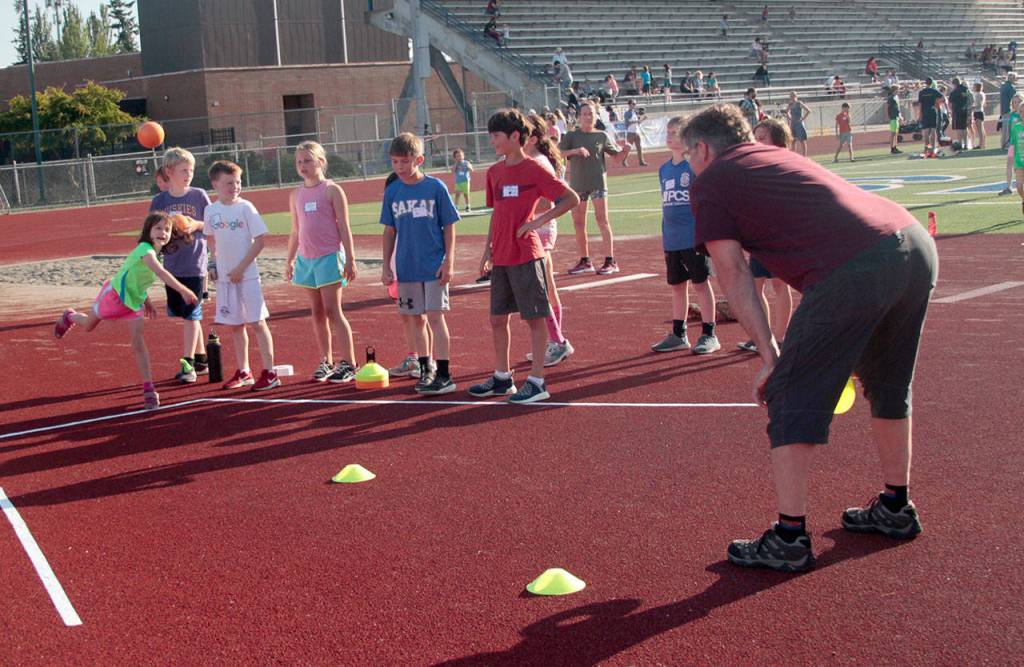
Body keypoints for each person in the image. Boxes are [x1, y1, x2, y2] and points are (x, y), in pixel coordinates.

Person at [681, 103, 938, 573]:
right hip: (913, 242)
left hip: (857, 264)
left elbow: (733, 273)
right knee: (888, 383)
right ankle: (895, 506)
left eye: (687, 154)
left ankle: (789, 537)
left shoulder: (712, 179)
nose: (687, 164)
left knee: (788, 391)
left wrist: (769, 354)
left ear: (702, 148)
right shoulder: (774, 156)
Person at [470, 108, 580, 404]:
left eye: (496, 136)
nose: (492, 141)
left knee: (535, 318)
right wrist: (487, 250)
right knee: (497, 319)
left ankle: (537, 382)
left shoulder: (534, 169)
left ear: (515, 136)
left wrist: (536, 222)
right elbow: (497, 213)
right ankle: (502, 378)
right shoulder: (494, 172)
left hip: (527, 254)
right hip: (501, 256)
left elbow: (570, 198)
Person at [54, 212, 199, 410]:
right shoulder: (145, 249)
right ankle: (70, 316)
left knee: (138, 343)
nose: (163, 232)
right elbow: (160, 273)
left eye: (167, 229)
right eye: (158, 228)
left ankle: (149, 389)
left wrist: (147, 300)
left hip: (134, 302)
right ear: (148, 231)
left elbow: (138, 279)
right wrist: (183, 290)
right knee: (88, 326)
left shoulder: (156, 255)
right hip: (114, 296)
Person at [381, 133, 460, 395]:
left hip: (433, 265)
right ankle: (426, 369)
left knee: (436, 317)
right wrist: (386, 265)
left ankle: (445, 374)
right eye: (395, 162)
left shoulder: (436, 187)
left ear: (419, 160)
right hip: (407, 267)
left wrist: (449, 261)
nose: (399, 167)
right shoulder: (392, 191)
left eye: (405, 161)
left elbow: (449, 225)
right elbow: (389, 230)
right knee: (416, 319)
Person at [285, 140, 358, 383]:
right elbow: (295, 230)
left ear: (321, 161)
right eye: (299, 161)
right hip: (306, 259)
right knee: (317, 312)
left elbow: (344, 226)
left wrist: (351, 259)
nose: (302, 165)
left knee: (332, 311)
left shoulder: (332, 190)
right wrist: (290, 259)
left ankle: (348, 362)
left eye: (307, 160)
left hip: (329, 257)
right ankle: (326, 360)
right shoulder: (295, 194)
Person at [204, 161, 280, 392]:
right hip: (225, 280)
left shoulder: (246, 207)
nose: (234, 187)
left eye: (237, 182)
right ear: (215, 184)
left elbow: (260, 241)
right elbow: (211, 240)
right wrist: (213, 264)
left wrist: (240, 268)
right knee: (236, 325)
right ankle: (244, 371)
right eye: (229, 183)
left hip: (247, 276)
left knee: (257, 322)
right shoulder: (211, 211)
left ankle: (270, 372)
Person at [650, 116, 720, 356]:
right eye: (668, 132)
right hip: (672, 238)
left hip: (693, 236)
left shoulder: (695, 166)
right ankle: (679, 334)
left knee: (700, 284)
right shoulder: (664, 169)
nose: (669, 136)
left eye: (675, 132)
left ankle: (709, 334)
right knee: (677, 286)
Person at [150, 147, 210, 384]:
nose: (189, 174)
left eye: (191, 170)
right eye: (183, 170)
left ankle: (189, 365)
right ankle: (202, 360)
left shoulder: (199, 196)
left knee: (191, 315)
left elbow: (212, 224)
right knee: (186, 313)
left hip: (195, 265)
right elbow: (152, 232)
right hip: (172, 267)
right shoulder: (160, 201)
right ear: (169, 172)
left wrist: (196, 225)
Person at [736, 118, 795, 354]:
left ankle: (781, 336)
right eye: (755, 138)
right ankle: (763, 336)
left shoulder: (786, 166)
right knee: (755, 285)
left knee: (780, 284)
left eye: (762, 138)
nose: (756, 142)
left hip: (781, 237)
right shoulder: (753, 167)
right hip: (760, 238)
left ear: (778, 141)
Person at [523, 113, 574, 366]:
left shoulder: (539, 163)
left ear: (532, 138)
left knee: (541, 287)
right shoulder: (533, 160)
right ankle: (554, 341)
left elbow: (548, 201)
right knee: (547, 286)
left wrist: (521, 205)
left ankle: (558, 341)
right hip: (538, 227)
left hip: (540, 228)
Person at [560, 100, 628, 276]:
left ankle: (610, 260)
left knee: (602, 220)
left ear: (596, 116)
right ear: (579, 117)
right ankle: (585, 260)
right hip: (578, 185)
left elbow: (617, 158)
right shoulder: (571, 136)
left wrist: (625, 150)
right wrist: (575, 151)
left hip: (598, 183)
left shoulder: (602, 136)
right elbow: (558, 153)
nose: (587, 117)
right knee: (578, 223)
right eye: (584, 114)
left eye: (591, 113)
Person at [1007, 94, 1024, 212]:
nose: (1023, 114)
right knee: (1018, 187)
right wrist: (1011, 158)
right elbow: (1013, 144)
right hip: (1019, 162)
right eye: (1021, 112)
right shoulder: (1016, 127)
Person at [917, 77, 943, 157]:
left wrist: (920, 114)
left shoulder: (922, 92)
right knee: (933, 130)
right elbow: (942, 98)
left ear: (925, 83)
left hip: (925, 111)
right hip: (932, 111)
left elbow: (920, 104)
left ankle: (927, 148)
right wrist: (936, 103)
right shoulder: (934, 91)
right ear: (931, 83)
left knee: (926, 130)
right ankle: (933, 148)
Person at [948, 77, 973, 151]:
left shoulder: (954, 92)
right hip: (965, 110)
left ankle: (960, 145)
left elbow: (950, 103)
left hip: (957, 111)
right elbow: (971, 99)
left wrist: (951, 110)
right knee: (964, 128)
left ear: (954, 84)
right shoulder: (966, 89)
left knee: (959, 129)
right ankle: (966, 144)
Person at [621, 99, 647, 167]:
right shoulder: (627, 113)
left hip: (637, 131)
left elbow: (638, 123)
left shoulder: (635, 113)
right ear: (629, 105)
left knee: (639, 147)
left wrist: (643, 119)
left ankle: (641, 161)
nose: (635, 105)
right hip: (631, 132)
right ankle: (623, 160)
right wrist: (637, 121)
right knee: (628, 148)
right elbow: (627, 123)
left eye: (635, 104)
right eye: (633, 104)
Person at [787, 91, 810, 156]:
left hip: (799, 124)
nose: (792, 97)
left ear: (796, 96)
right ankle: (794, 156)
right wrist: (790, 118)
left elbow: (808, 111)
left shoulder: (799, 103)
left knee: (802, 141)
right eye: (791, 96)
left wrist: (802, 119)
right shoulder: (790, 104)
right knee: (793, 141)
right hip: (793, 124)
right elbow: (787, 111)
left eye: (793, 96)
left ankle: (804, 156)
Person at [452, 148, 473, 212]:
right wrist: (456, 164)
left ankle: (468, 206)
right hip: (458, 182)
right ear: (455, 158)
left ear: (463, 156)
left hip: (465, 181)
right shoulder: (456, 164)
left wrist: (469, 167)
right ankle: (456, 207)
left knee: (466, 194)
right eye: (457, 156)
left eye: (460, 156)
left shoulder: (466, 162)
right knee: (457, 195)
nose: (459, 157)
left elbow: (471, 170)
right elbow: (453, 171)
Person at [886, 84, 904, 154]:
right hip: (893, 117)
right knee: (893, 133)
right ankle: (892, 148)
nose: (899, 90)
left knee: (896, 133)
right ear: (895, 90)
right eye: (898, 89)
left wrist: (900, 116)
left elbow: (898, 108)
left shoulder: (896, 97)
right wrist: (889, 116)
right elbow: (887, 107)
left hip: (896, 117)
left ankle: (895, 147)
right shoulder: (891, 98)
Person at [972, 82, 987, 150]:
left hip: (978, 112)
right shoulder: (982, 93)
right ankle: (983, 144)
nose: (973, 87)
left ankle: (980, 144)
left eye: (974, 86)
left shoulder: (978, 94)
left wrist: (971, 107)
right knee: (982, 129)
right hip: (980, 112)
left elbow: (979, 105)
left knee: (980, 130)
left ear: (976, 87)